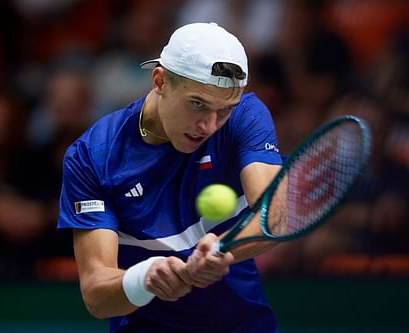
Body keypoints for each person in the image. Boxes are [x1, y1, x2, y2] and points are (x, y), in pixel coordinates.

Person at [57, 22, 283, 332]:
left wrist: (219, 249)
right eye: (197, 104)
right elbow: (96, 294)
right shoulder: (92, 156)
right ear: (160, 80)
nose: (210, 126)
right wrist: (145, 279)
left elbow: (274, 215)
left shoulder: (246, 116)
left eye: (224, 110)